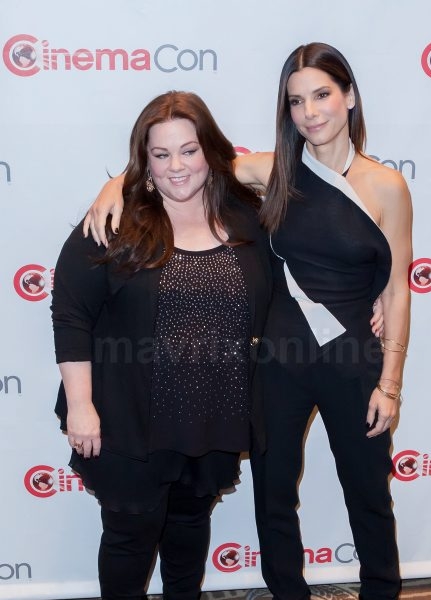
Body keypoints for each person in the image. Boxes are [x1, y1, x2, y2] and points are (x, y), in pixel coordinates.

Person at [84, 42, 412, 600]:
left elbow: (398, 287)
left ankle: (382, 591)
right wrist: (115, 184)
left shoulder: (388, 186)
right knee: (274, 496)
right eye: (295, 100)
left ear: (349, 97)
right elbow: (182, 165)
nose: (311, 112)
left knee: (368, 494)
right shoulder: (273, 170)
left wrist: (391, 383)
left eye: (322, 95)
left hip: (356, 362)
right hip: (275, 364)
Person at [51, 90, 272, 600]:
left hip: (211, 414)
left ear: (211, 152)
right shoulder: (114, 223)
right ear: (144, 159)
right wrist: (81, 407)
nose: (177, 166)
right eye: (161, 153)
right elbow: (71, 316)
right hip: (128, 418)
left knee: (190, 526)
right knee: (130, 536)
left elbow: (301, 168)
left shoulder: (247, 219)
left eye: (189, 150)